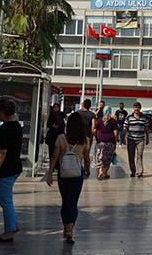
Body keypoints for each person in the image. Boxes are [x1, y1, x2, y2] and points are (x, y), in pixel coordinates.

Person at [46, 112, 91, 244]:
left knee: (65, 201)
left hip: (63, 174)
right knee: (73, 202)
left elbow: (54, 156)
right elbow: (87, 158)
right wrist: (87, 170)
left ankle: (66, 228)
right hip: (77, 174)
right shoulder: (85, 140)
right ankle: (70, 230)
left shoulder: (61, 138)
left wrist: (49, 172)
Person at [0, 98, 22, 243]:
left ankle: (9, 231)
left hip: (6, 169)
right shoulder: (17, 126)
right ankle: (13, 224)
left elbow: (3, 152)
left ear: (3, 112)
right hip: (15, 166)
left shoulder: (4, 128)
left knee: (4, 199)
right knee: (4, 198)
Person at [93, 106, 119, 179]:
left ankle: (101, 170)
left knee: (99, 157)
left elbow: (94, 130)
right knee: (108, 158)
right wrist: (115, 141)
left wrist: (96, 137)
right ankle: (105, 173)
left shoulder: (100, 120)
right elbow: (115, 133)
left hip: (100, 142)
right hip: (110, 142)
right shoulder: (113, 121)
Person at [124, 102, 148, 177]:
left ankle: (139, 172)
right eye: (135, 107)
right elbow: (125, 127)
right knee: (131, 156)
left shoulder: (144, 118)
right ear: (133, 108)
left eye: (138, 107)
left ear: (140, 108)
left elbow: (146, 128)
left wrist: (147, 138)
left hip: (141, 139)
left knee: (139, 155)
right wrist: (123, 137)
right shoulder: (129, 117)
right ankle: (133, 171)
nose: (136, 109)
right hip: (131, 139)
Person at [44, 102, 65, 167]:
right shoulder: (51, 114)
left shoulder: (62, 114)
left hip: (59, 134)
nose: (56, 108)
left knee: (59, 150)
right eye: (55, 107)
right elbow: (48, 124)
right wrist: (53, 126)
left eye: (57, 107)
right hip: (52, 136)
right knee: (52, 150)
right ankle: (52, 165)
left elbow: (64, 124)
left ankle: (57, 164)